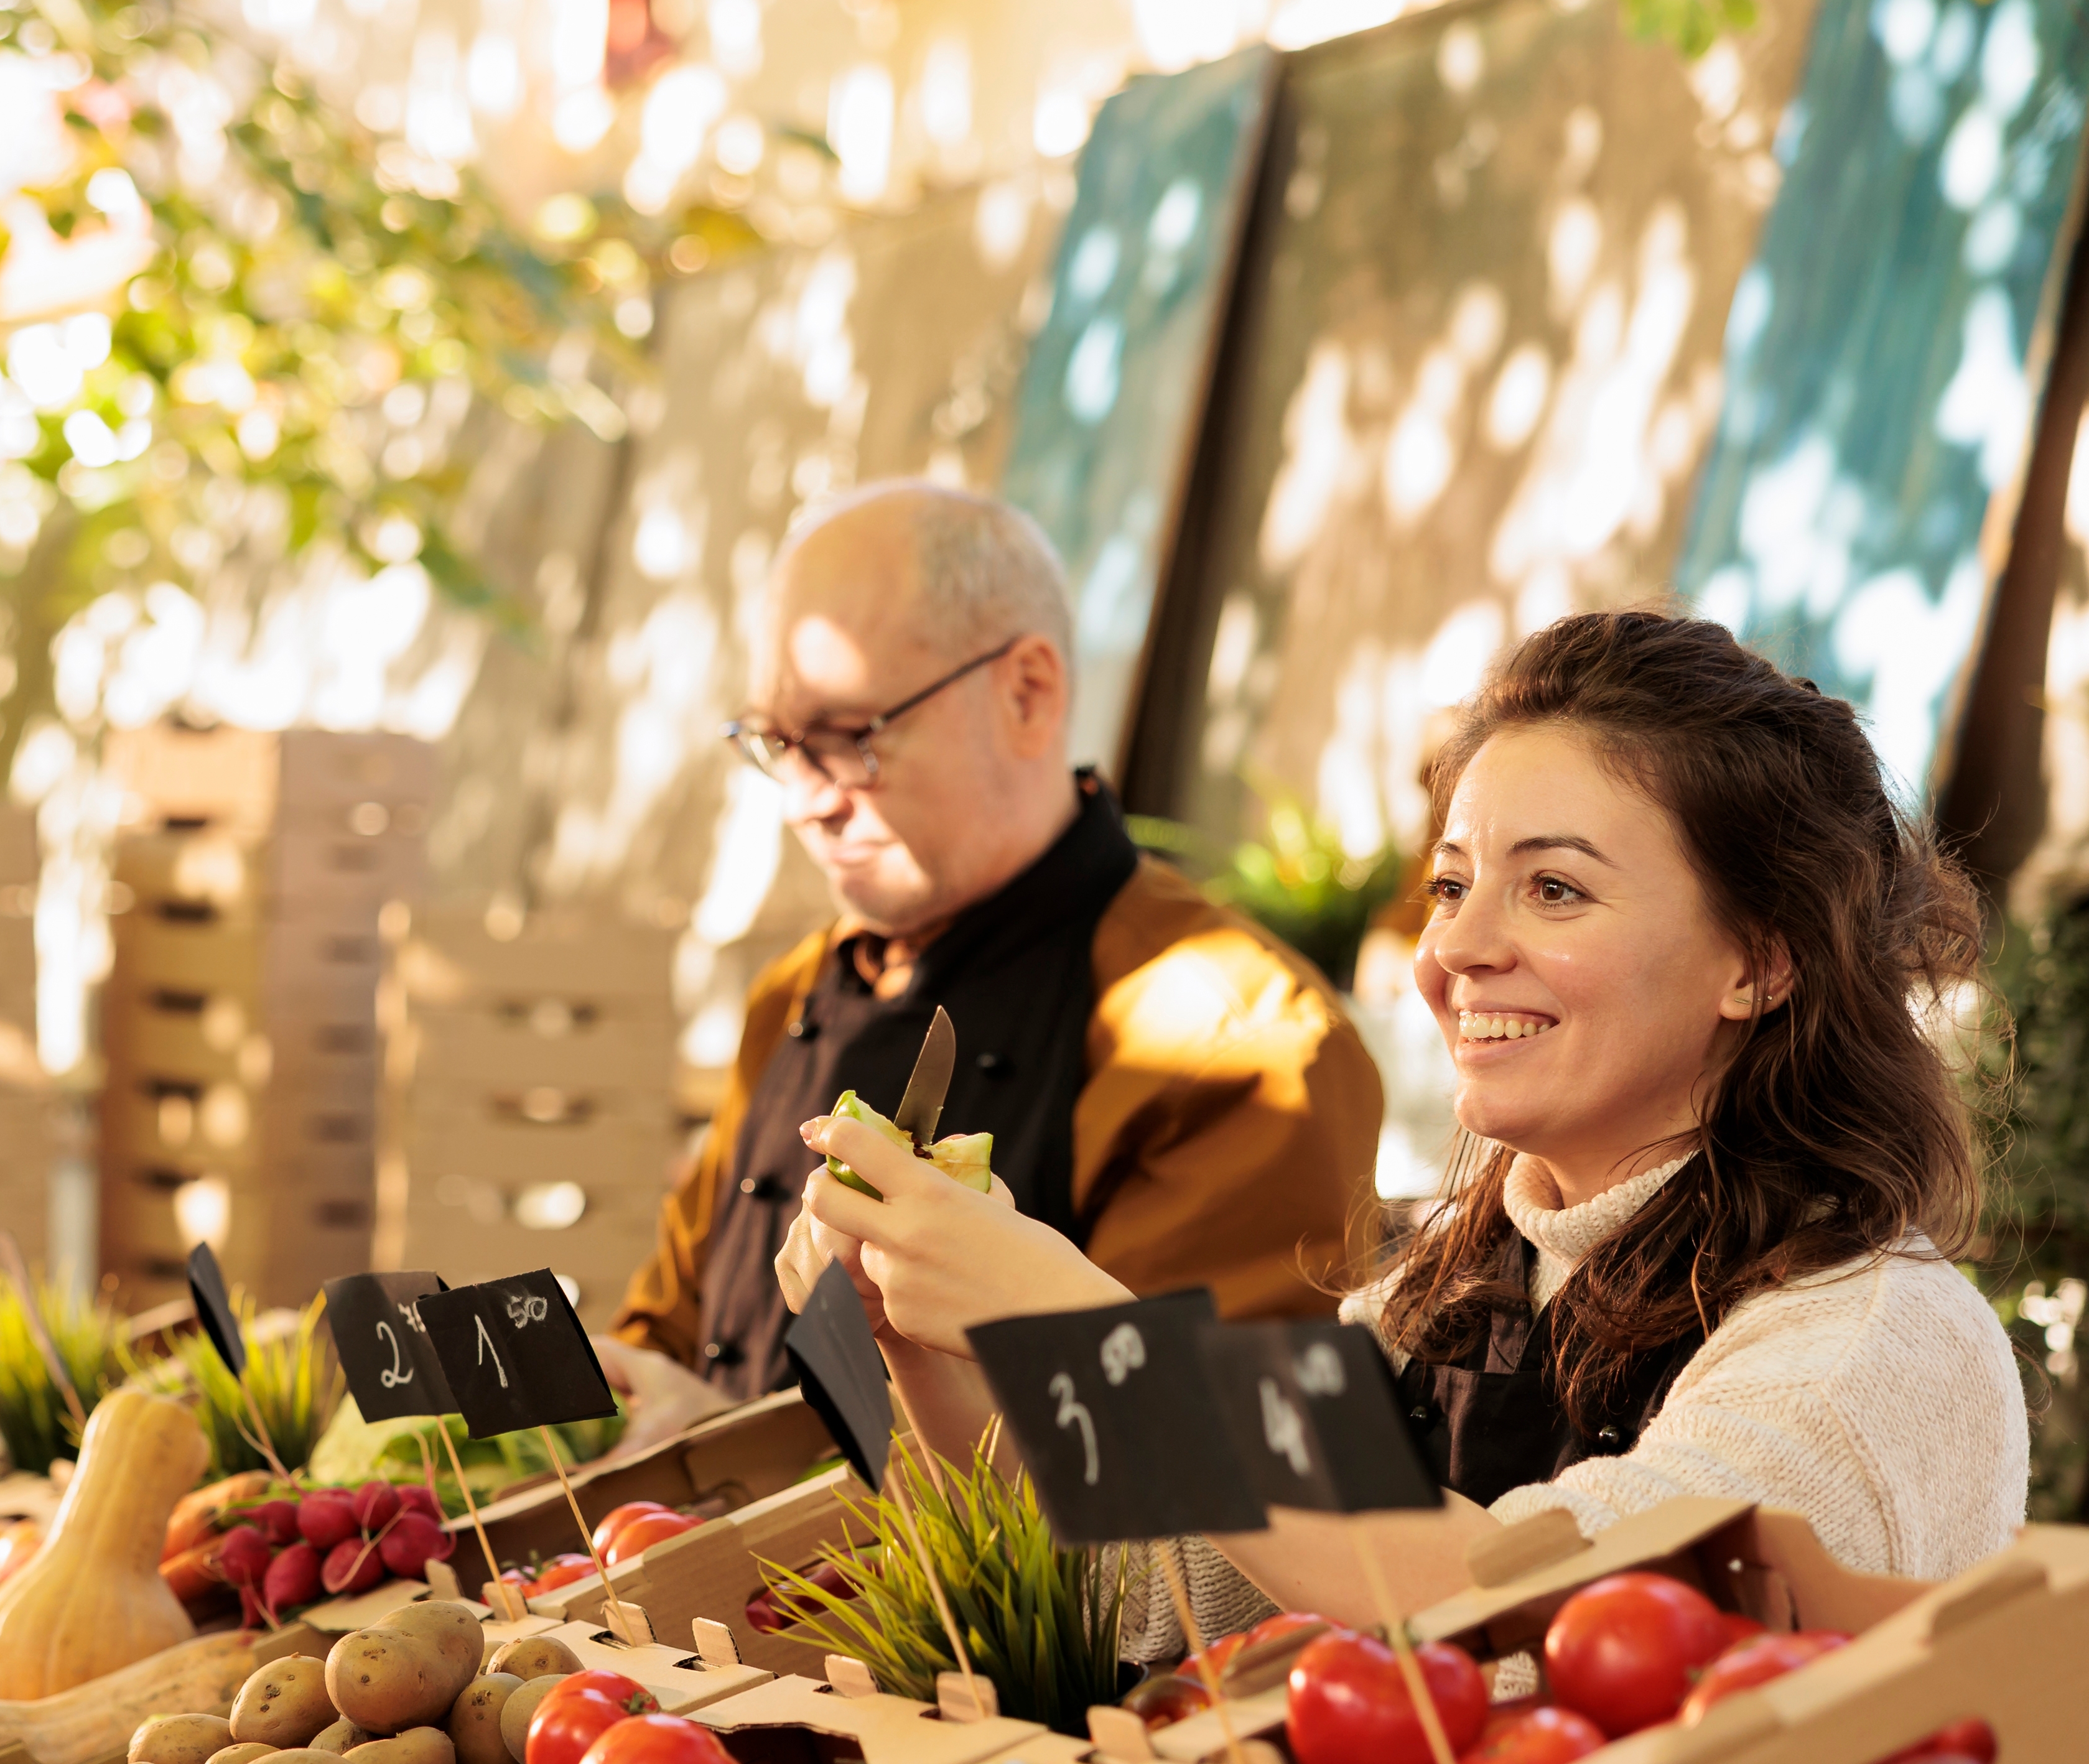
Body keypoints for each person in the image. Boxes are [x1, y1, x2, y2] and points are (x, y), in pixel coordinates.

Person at [784, 608, 2027, 1638]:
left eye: (1553, 887)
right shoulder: (1453, 1289)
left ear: (1759, 962)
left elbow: (1564, 1615)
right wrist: (935, 1344)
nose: (1454, 951)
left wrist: (1083, 1328)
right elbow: (1138, 1603)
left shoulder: (1872, 1341)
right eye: (1450, 883)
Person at [602, 481, 1384, 1444]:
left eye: (849, 738)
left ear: (1028, 692)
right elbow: (674, 1334)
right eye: (777, 743)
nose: (807, 799)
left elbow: (1182, 1484)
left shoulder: (1235, 1041)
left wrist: (728, 1449)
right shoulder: (792, 993)